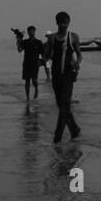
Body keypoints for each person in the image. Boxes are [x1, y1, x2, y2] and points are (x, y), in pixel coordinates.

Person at [43, 12, 82, 143]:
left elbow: (79, 54)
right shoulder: (52, 38)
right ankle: (74, 129)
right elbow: (47, 55)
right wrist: (44, 59)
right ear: (57, 23)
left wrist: (77, 63)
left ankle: (57, 137)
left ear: (69, 23)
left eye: (65, 22)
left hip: (68, 75)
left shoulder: (73, 37)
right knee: (61, 106)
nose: (63, 25)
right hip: (56, 76)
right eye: (61, 22)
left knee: (65, 104)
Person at [14, 26, 45, 101]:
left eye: (33, 31)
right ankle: (27, 97)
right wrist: (18, 40)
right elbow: (19, 50)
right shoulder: (25, 42)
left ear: (35, 32)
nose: (31, 33)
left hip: (35, 64)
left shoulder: (38, 42)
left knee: (34, 80)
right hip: (26, 63)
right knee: (27, 81)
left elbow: (43, 54)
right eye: (30, 31)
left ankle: (36, 89)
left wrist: (42, 62)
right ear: (28, 32)